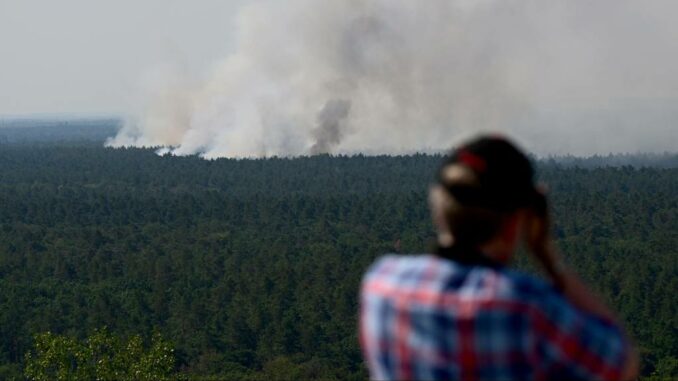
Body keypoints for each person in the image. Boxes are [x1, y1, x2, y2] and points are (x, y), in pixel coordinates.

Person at [359, 135, 639, 381]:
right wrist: (549, 257)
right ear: (516, 221)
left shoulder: (381, 285)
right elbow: (620, 365)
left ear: (438, 208)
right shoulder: (527, 305)